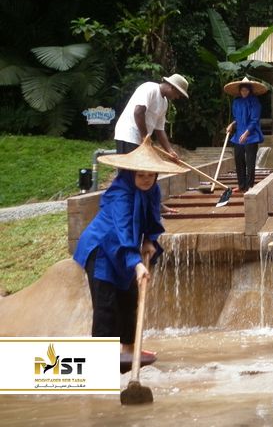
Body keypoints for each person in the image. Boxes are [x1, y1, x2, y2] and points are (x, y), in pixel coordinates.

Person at [73, 136, 188, 358]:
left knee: (129, 298)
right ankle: (102, 357)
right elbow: (122, 228)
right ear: (130, 173)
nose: (146, 180)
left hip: (126, 249)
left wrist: (148, 240)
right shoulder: (120, 194)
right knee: (106, 304)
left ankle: (128, 350)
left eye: (150, 175)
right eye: (141, 175)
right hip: (102, 249)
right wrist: (135, 263)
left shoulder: (152, 190)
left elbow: (151, 218)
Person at [113, 73, 189, 159]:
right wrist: (145, 137)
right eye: (178, 94)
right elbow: (138, 112)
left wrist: (170, 151)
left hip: (142, 140)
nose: (177, 97)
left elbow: (159, 129)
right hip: (129, 136)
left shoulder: (164, 103)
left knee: (144, 171)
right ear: (172, 87)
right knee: (128, 171)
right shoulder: (150, 88)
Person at [225, 77, 267, 193]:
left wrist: (247, 133)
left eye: (246, 90)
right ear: (240, 91)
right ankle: (241, 185)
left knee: (250, 162)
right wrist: (231, 125)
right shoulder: (236, 102)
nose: (244, 92)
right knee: (238, 159)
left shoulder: (254, 102)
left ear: (250, 90)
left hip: (251, 135)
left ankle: (249, 185)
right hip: (239, 135)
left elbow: (254, 120)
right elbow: (237, 119)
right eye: (242, 90)